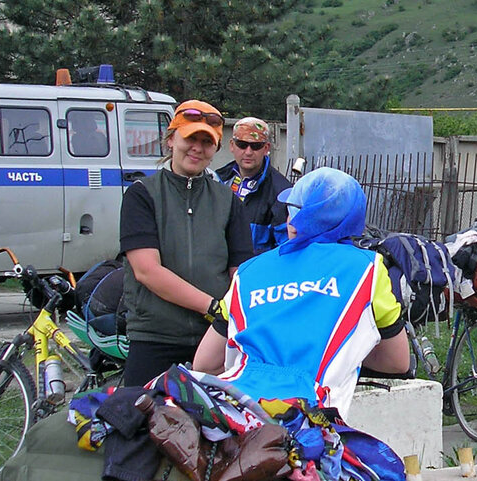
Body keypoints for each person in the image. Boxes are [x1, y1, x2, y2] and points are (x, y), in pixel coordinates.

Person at [193, 167, 409, 417]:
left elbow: (205, 363)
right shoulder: (367, 268)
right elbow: (397, 362)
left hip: (238, 415)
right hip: (309, 424)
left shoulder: (248, 271)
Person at [119, 99, 253, 386]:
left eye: (207, 142)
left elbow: (239, 272)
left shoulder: (229, 201)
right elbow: (146, 270)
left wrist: (230, 315)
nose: (197, 147)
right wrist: (212, 306)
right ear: (170, 140)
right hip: (155, 336)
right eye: (191, 137)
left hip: (213, 340)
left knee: (222, 426)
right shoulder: (142, 195)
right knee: (138, 423)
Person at [215, 116, 291, 253]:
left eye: (256, 146)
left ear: (266, 148)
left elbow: (285, 248)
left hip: (256, 270)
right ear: (232, 145)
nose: (248, 152)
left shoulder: (282, 191)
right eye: (242, 145)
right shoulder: (216, 179)